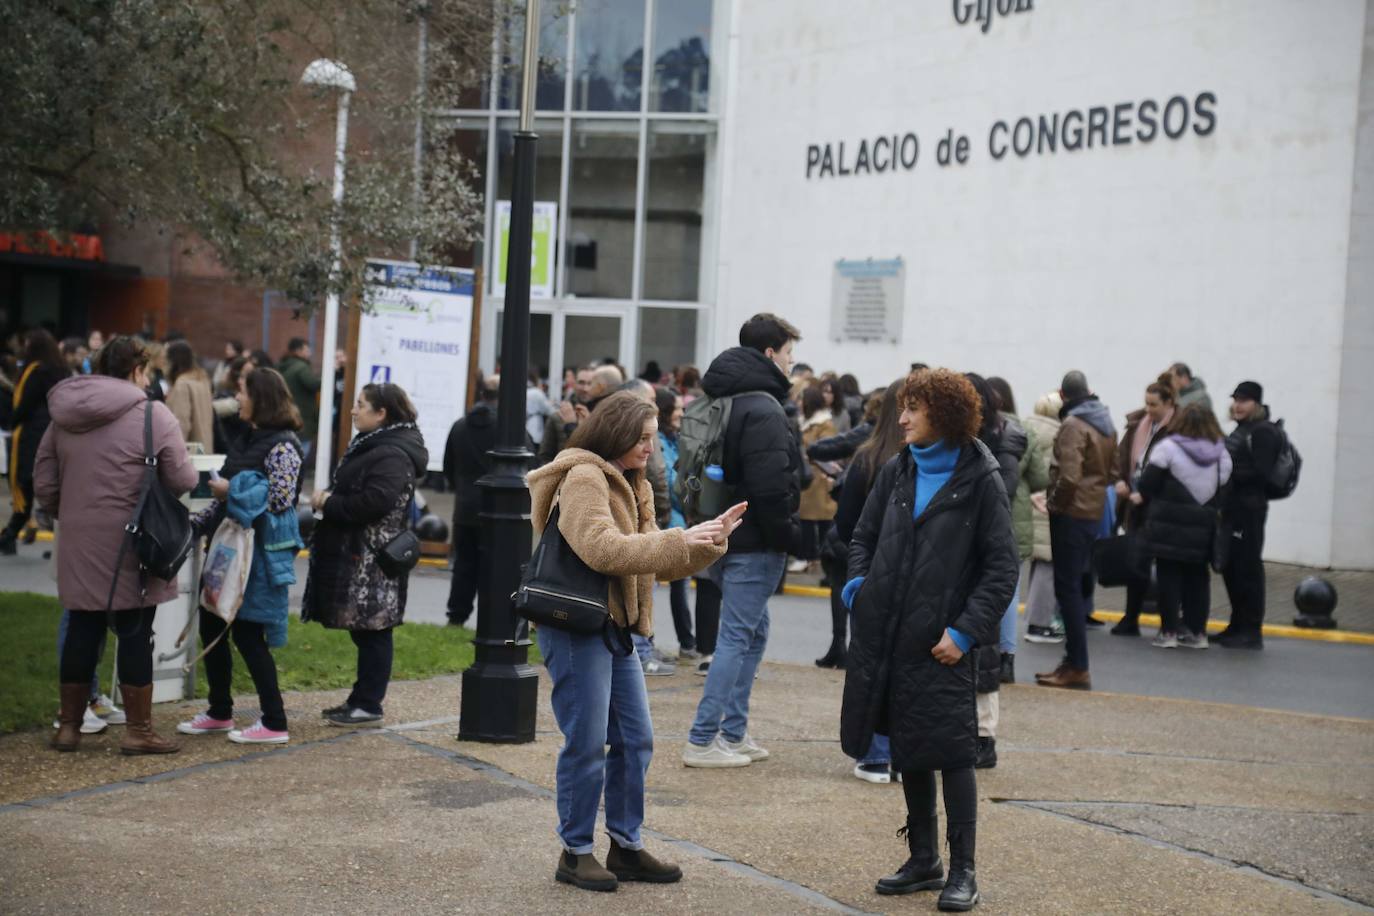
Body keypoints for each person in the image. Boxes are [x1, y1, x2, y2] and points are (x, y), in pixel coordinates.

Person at [527, 390, 737, 891]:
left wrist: (708, 542)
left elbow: (649, 562)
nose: (651, 447)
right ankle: (575, 852)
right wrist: (679, 539)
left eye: (653, 437)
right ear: (616, 432)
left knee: (635, 739)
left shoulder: (630, 480)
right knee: (586, 743)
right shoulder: (584, 477)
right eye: (643, 437)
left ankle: (625, 846)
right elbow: (604, 549)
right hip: (576, 625)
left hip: (614, 626)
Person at [841, 368, 1018, 908]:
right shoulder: (897, 469)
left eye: (912, 408)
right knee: (910, 746)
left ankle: (964, 871)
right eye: (903, 407)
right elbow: (862, 538)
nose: (901, 419)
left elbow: (1001, 569)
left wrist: (964, 632)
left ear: (943, 414)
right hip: (890, 638)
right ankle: (924, 860)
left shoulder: (981, 478)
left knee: (955, 755)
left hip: (943, 646)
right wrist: (858, 589)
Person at [34, 336, 199, 753]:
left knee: (82, 627)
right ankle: (138, 731)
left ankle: (69, 726)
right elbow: (182, 479)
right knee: (135, 631)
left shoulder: (62, 417)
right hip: (134, 541)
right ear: (137, 370)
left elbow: (45, 484)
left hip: (78, 539)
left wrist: (72, 512)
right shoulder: (153, 416)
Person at [684, 314, 803, 769]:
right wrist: (789, 537)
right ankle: (702, 739)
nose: (792, 363)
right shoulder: (764, 408)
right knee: (736, 636)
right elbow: (771, 486)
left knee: (753, 631)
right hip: (754, 540)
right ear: (770, 353)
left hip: (721, 529)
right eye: (789, 353)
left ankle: (733, 732)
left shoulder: (723, 397)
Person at [178, 368, 305, 744]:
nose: (238, 398)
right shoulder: (248, 437)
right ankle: (220, 711)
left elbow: (279, 498)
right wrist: (192, 527)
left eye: (243, 392)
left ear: (261, 398)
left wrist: (231, 490)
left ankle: (275, 722)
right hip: (228, 547)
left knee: (249, 635)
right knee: (211, 623)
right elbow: (223, 500)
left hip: (257, 556)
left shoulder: (284, 446)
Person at [302, 382, 429, 725]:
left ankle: (369, 703)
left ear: (381, 413)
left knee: (374, 631)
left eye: (360, 405)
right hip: (363, 553)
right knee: (365, 630)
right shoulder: (375, 444)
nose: (353, 410)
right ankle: (361, 698)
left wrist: (330, 502)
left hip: (374, 557)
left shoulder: (391, 453)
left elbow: (375, 502)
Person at [828, 378, 905, 780]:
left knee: (871, 667)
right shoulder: (929, 462)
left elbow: (846, 523)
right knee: (908, 666)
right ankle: (902, 753)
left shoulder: (869, 458)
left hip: (872, 571)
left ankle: (875, 753)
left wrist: (859, 570)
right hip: (914, 577)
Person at [1036, 371, 1117, 691]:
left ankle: (1076, 665)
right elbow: (1113, 471)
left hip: (1070, 514)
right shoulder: (1105, 421)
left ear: (1062, 394)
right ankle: (1073, 663)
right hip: (1092, 511)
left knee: (1067, 589)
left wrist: (1053, 504)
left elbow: (1068, 476)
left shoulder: (1073, 424)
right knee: (1074, 587)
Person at [965, 373, 1029, 769]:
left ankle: (985, 737)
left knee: (986, 653)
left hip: (989, 550)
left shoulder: (1002, 443)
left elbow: (1003, 491)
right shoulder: (970, 443)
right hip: (972, 552)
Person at [1137, 404, 1232, 649]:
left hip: (1168, 525)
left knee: (1169, 577)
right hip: (1203, 526)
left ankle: (1169, 631)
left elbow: (1147, 484)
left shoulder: (1167, 448)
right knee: (1198, 578)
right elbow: (1223, 486)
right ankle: (1197, 632)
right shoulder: (1222, 453)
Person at [1109, 379, 1176, 636]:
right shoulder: (1138, 425)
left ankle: (1168, 623)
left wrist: (1147, 493)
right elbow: (1121, 456)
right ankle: (1131, 617)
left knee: (1166, 568)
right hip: (1134, 504)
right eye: (1146, 403)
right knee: (1135, 561)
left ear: (1168, 403)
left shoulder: (1176, 429)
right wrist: (1119, 480)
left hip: (1159, 506)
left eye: (1154, 404)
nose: (1149, 409)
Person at [1218, 380, 1277, 649]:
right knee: (1232, 567)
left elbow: (1262, 473)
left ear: (1256, 404)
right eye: (1235, 400)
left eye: (1244, 400)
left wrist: (1229, 473)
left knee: (1247, 568)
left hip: (1249, 510)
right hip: (1233, 508)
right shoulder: (1242, 429)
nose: (1237, 405)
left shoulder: (1262, 431)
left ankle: (1251, 630)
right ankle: (1237, 624)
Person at [2, 330, 67, 555]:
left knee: (25, 485)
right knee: (51, 487)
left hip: (31, 435)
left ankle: (10, 535)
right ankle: (14, 535)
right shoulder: (61, 369)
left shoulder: (35, 371)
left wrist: (13, 421)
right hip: (56, 431)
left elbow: (25, 403)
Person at [443, 375, 501, 627]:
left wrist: (462, 488)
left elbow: (448, 466)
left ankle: (456, 615)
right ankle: (492, 619)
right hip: (498, 508)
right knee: (497, 567)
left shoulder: (459, 426)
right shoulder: (508, 429)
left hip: (465, 506)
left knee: (463, 564)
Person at [655, 385, 700, 659]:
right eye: (678, 408)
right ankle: (654, 644)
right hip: (669, 521)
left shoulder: (674, 439)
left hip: (678, 520)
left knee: (679, 585)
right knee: (660, 585)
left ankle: (686, 642)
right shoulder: (660, 442)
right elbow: (674, 485)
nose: (682, 413)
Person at [1023, 392, 1063, 643]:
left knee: (1038, 565)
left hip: (1029, 505)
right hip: (1046, 506)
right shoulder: (1058, 434)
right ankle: (1038, 624)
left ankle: (1034, 619)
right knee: (1047, 566)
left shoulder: (1026, 427)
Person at [796, 385, 838, 575]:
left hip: (819, 478)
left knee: (822, 521)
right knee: (806, 520)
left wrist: (805, 450)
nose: (798, 403)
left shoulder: (824, 424)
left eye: (801, 399)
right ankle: (809, 557)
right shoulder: (803, 421)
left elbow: (827, 449)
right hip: (807, 478)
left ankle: (818, 558)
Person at [164, 340, 216, 450]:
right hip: (205, 446)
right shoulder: (203, 380)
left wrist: (174, 451)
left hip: (189, 451)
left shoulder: (182, 384)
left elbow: (182, 423)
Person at [278, 338, 320, 451]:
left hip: (286, 415)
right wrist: (329, 375)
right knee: (301, 450)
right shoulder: (301, 367)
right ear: (298, 351)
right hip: (302, 416)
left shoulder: (283, 366)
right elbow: (313, 384)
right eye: (307, 350)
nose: (310, 353)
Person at [526, 370, 555, 447]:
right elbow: (549, 410)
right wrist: (551, 404)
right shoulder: (537, 392)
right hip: (534, 427)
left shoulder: (525, 391)